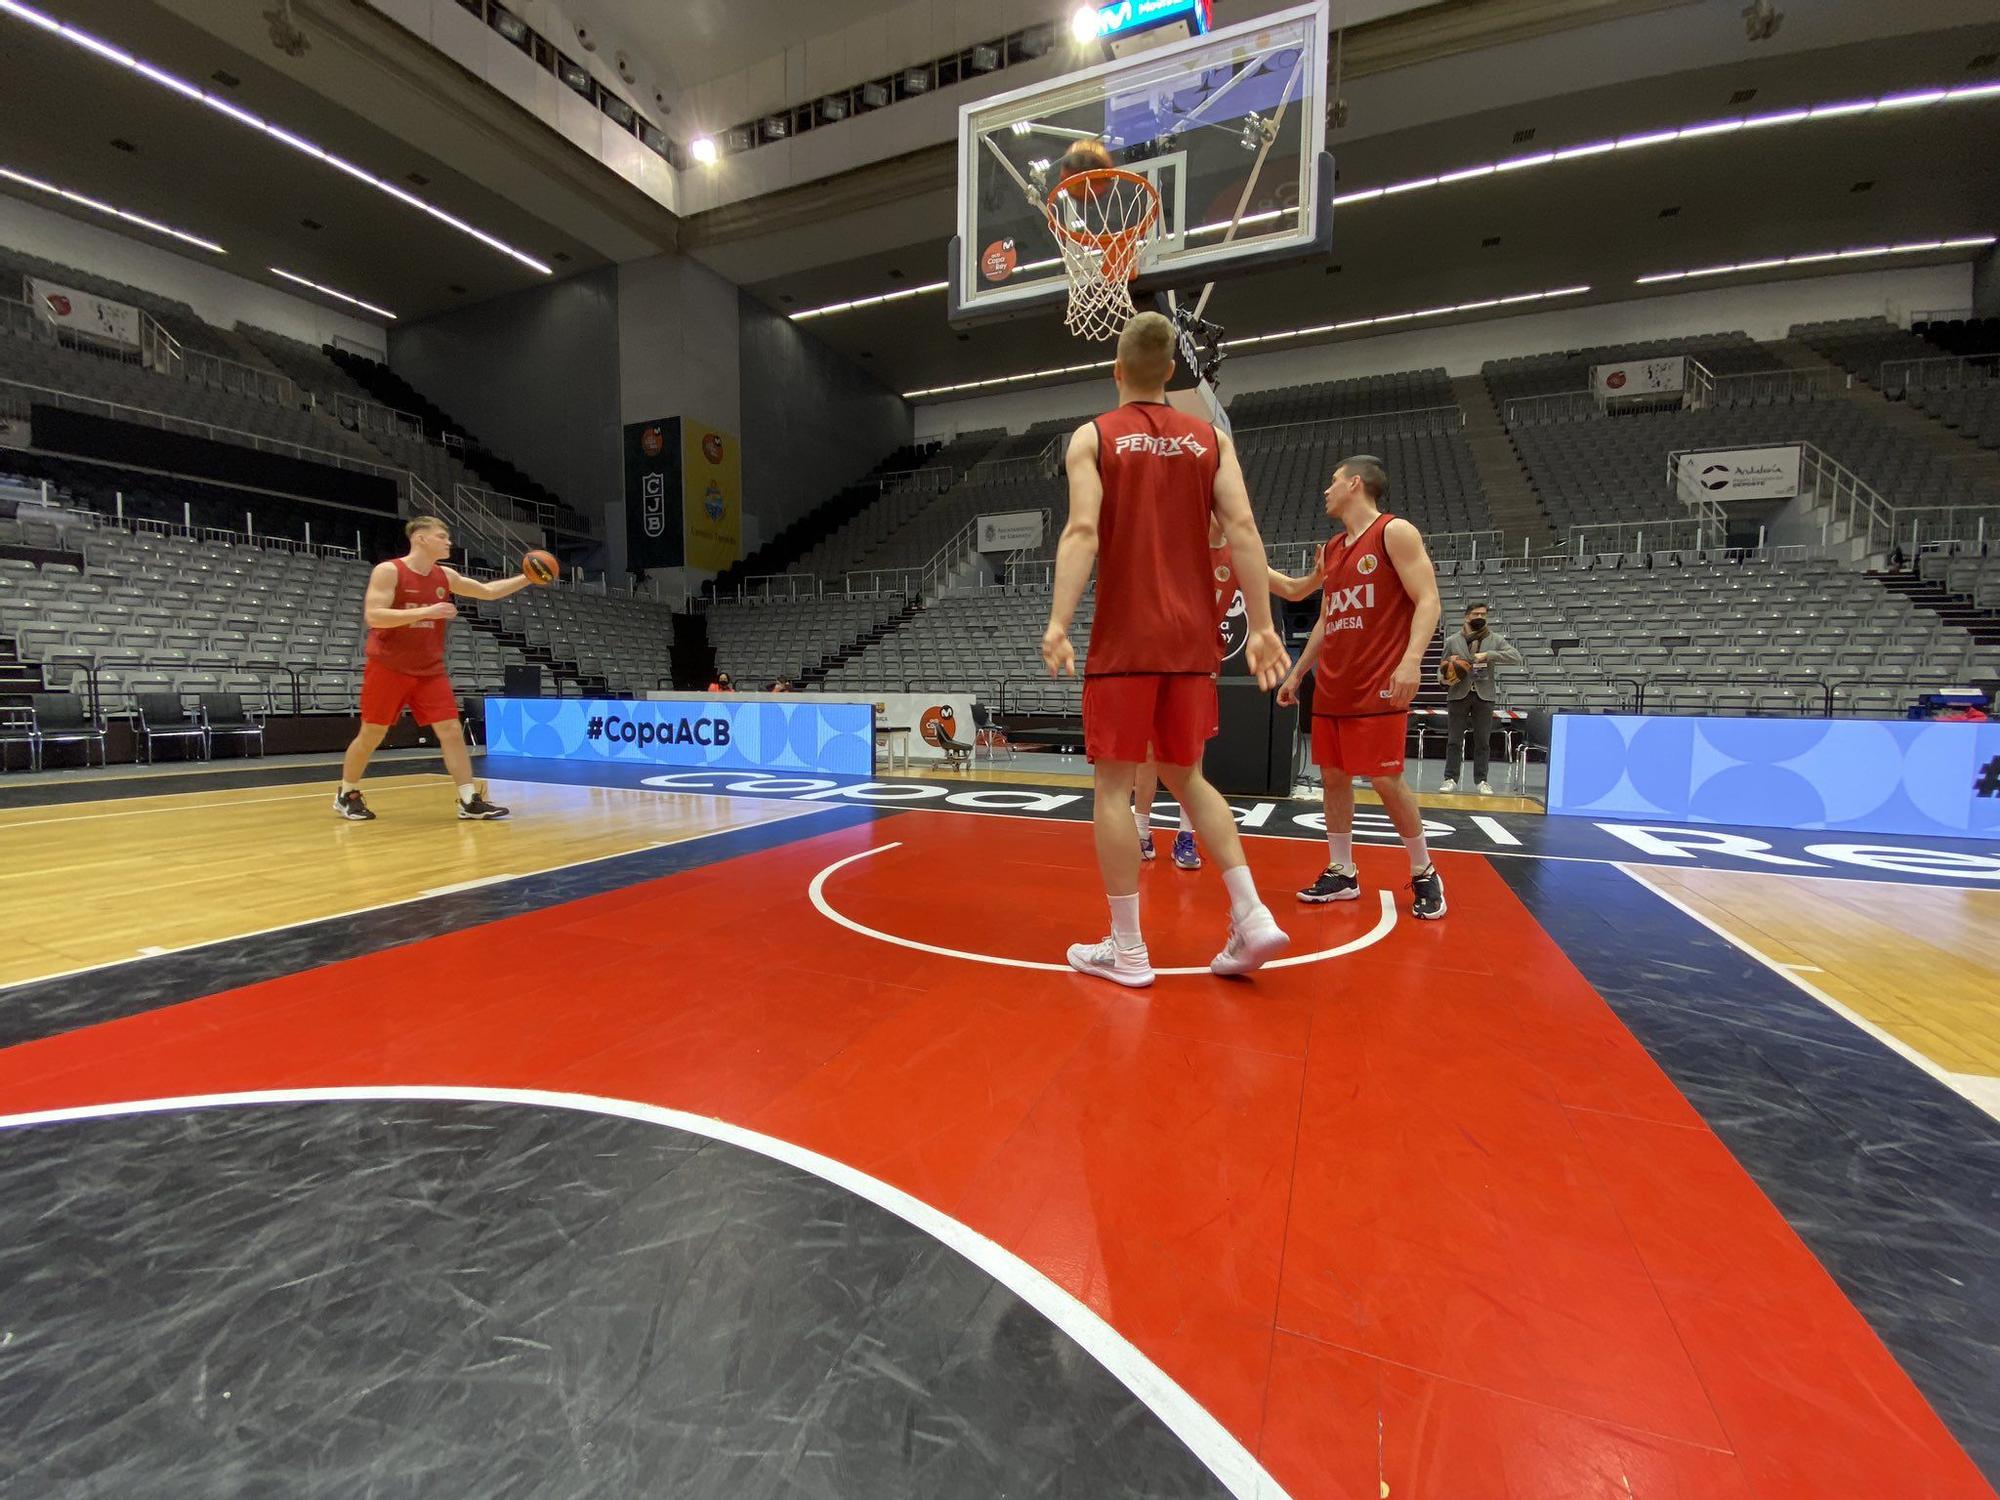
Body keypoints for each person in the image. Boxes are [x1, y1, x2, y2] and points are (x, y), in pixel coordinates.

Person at [1042, 311, 1291, 987]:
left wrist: (1059, 622)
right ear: (1172, 373)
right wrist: (1263, 626)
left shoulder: (1094, 436)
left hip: (1126, 642)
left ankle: (1127, 951)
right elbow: (1243, 528)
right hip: (1191, 644)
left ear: (1117, 370)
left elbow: (1082, 531)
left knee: (1113, 790)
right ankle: (1252, 914)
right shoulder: (1212, 439)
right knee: (1190, 778)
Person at [1271, 457, 1446, 919]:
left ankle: (1424, 869)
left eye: (1332, 482)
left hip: (1378, 684)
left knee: (1386, 780)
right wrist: (1297, 673)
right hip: (1334, 686)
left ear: (1354, 483)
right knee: (1332, 778)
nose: (1325, 491)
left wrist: (1412, 661)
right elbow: (1327, 619)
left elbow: (1428, 600)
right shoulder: (1332, 548)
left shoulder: (1394, 532)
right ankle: (1342, 870)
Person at [335, 516, 538, 821]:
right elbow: (374, 616)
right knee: (372, 734)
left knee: (451, 730)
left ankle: (469, 800)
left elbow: (488, 591)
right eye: (441, 536)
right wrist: (430, 611)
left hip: (429, 670)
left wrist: (527, 577)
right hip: (389, 667)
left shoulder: (445, 575)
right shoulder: (389, 571)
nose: (448, 542)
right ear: (420, 538)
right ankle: (347, 793)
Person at [1133, 513, 1238, 872]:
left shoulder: (1237, 556)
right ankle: (1141, 832)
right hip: (1160, 663)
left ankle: (1186, 837)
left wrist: (1316, 578)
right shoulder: (1177, 549)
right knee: (1148, 754)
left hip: (1198, 668)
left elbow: (1288, 589)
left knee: (1192, 759)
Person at [1439, 601, 1523, 794]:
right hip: (1458, 694)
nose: (1480, 617)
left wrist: (1488, 655)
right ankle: (1450, 778)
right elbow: (1441, 665)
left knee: (1483, 741)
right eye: (1476, 614)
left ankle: (1482, 780)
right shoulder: (1453, 640)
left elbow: (1515, 656)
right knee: (1454, 740)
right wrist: (1444, 679)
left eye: (1483, 614)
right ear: (1467, 616)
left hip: (1484, 695)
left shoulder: (1495, 639)